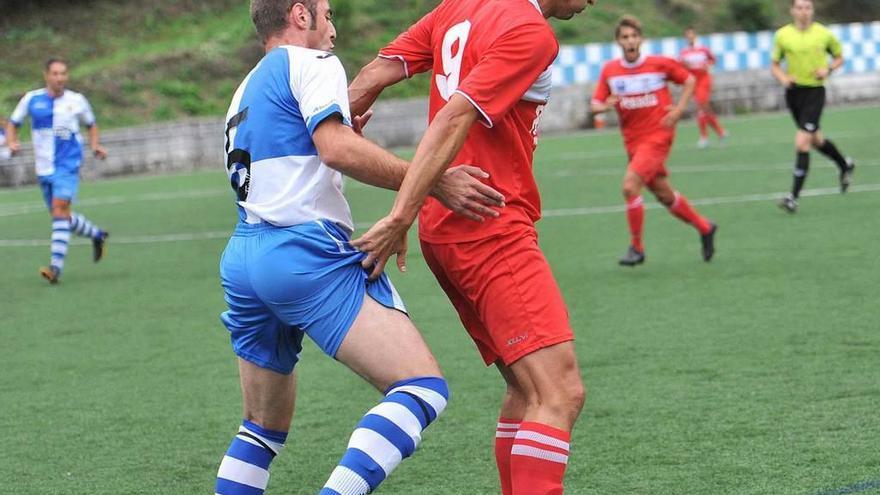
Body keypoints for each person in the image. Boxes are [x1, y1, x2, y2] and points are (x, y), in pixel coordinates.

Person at [214, 1, 506, 494]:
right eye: (327, 14)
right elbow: (336, 150)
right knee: (421, 388)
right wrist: (430, 180)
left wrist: (340, 145)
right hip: (301, 254)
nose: (333, 26)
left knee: (261, 429)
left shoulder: (245, 88)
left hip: (244, 257)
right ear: (300, 15)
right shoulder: (313, 63)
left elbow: (298, 159)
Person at [347, 0, 593, 493]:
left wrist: (341, 117)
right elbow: (454, 116)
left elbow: (374, 74)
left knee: (527, 390)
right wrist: (399, 214)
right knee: (559, 391)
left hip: (448, 232)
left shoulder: (458, 5)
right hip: (489, 225)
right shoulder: (530, 31)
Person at [591, 16, 717, 267]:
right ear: (618, 42)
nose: (630, 41)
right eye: (625, 37)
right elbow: (594, 105)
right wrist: (605, 106)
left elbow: (689, 80)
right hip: (632, 142)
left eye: (633, 36)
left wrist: (679, 109)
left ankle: (636, 248)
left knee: (629, 186)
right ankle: (705, 228)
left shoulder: (659, 64)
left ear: (641, 39)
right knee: (663, 194)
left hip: (659, 136)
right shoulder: (610, 70)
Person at [5, 58, 109, 284]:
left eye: (63, 73)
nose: (60, 78)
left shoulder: (77, 101)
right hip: (44, 168)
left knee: (60, 210)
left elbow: (91, 125)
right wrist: (12, 142)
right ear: (46, 75)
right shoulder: (31, 99)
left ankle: (55, 268)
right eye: (55, 73)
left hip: (68, 165)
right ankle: (97, 235)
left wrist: (95, 145)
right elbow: (13, 123)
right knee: (61, 216)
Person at [772, 0, 855, 213]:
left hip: (815, 92)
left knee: (802, 143)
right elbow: (774, 64)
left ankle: (793, 197)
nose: (803, 12)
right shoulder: (782, 35)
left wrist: (827, 69)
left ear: (812, 10)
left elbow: (839, 57)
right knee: (816, 140)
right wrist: (783, 78)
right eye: (799, 8)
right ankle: (845, 164)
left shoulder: (823, 34)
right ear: (792, 11)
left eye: (807, 7)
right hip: (793, 94)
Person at [679, 27, 727, 148]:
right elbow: (681, 66)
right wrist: (685, 66)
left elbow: (713, 60)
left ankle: (704, 137)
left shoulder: (703, 49)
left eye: (691, 35)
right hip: (693, 81)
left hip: (704, 79)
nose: (689, 37)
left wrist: (706, 65)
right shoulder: (684, 52)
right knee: (704, 108)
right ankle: (721, 132)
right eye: (687, 35)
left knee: (700, 106)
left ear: (695, 35)